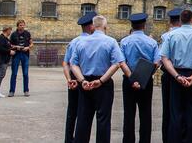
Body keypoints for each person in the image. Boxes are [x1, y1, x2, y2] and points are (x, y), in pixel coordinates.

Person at [70, 15, 127, 143]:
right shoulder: (111, 41)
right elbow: (117, 63)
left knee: (83, 119)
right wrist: (101, 80)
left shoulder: (80, 42)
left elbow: (73, 64)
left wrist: (82, 80)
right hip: (103, 84)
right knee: (103, 120)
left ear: (92, 27)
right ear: (105, 27)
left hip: (85, 83)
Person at [160, 9, 192, 143]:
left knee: (175, 112)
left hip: (176, 74)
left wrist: (177, 76)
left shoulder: (171, 35)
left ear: (180, 19)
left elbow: (165, 58)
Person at [120, 12, 160, 143]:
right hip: (146, 81)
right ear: (144, 25)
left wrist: (132, 78)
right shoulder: (152, 42)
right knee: (145, 113)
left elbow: (122, 62)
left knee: (129, 114)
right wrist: (144, 77)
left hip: (128, 80)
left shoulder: (125, 42)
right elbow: (156, 63)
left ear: (131, 25)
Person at [62, 12, 95, 143]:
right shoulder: (91, 42)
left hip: (73, 77)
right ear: (91, 26)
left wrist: (69, 79)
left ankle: (68, 139)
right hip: (85, 76)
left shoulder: (73, 42)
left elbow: (65, 63)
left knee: (72, 111)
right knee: (84, 111)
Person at [160, 8, 182, 143]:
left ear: (170, 21)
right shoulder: (190, 34)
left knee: (168, 108)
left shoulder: (165, 36)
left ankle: (168, 138)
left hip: (169, 75)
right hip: (185, 73)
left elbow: (160, 58)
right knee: (183, 107)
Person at [9, 19, 33, 97]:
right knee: (14, 73)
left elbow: (32, 43)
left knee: (25, 73)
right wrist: (16, 47)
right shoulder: (13, 34)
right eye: (20, 25)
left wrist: (28, 47)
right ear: (17, 26)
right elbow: (10, 45)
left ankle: (26, 90)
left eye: (23, 25)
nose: (22, 27)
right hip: (16, 54)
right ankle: (12, 91)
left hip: (25, 55)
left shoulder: (27, 33)